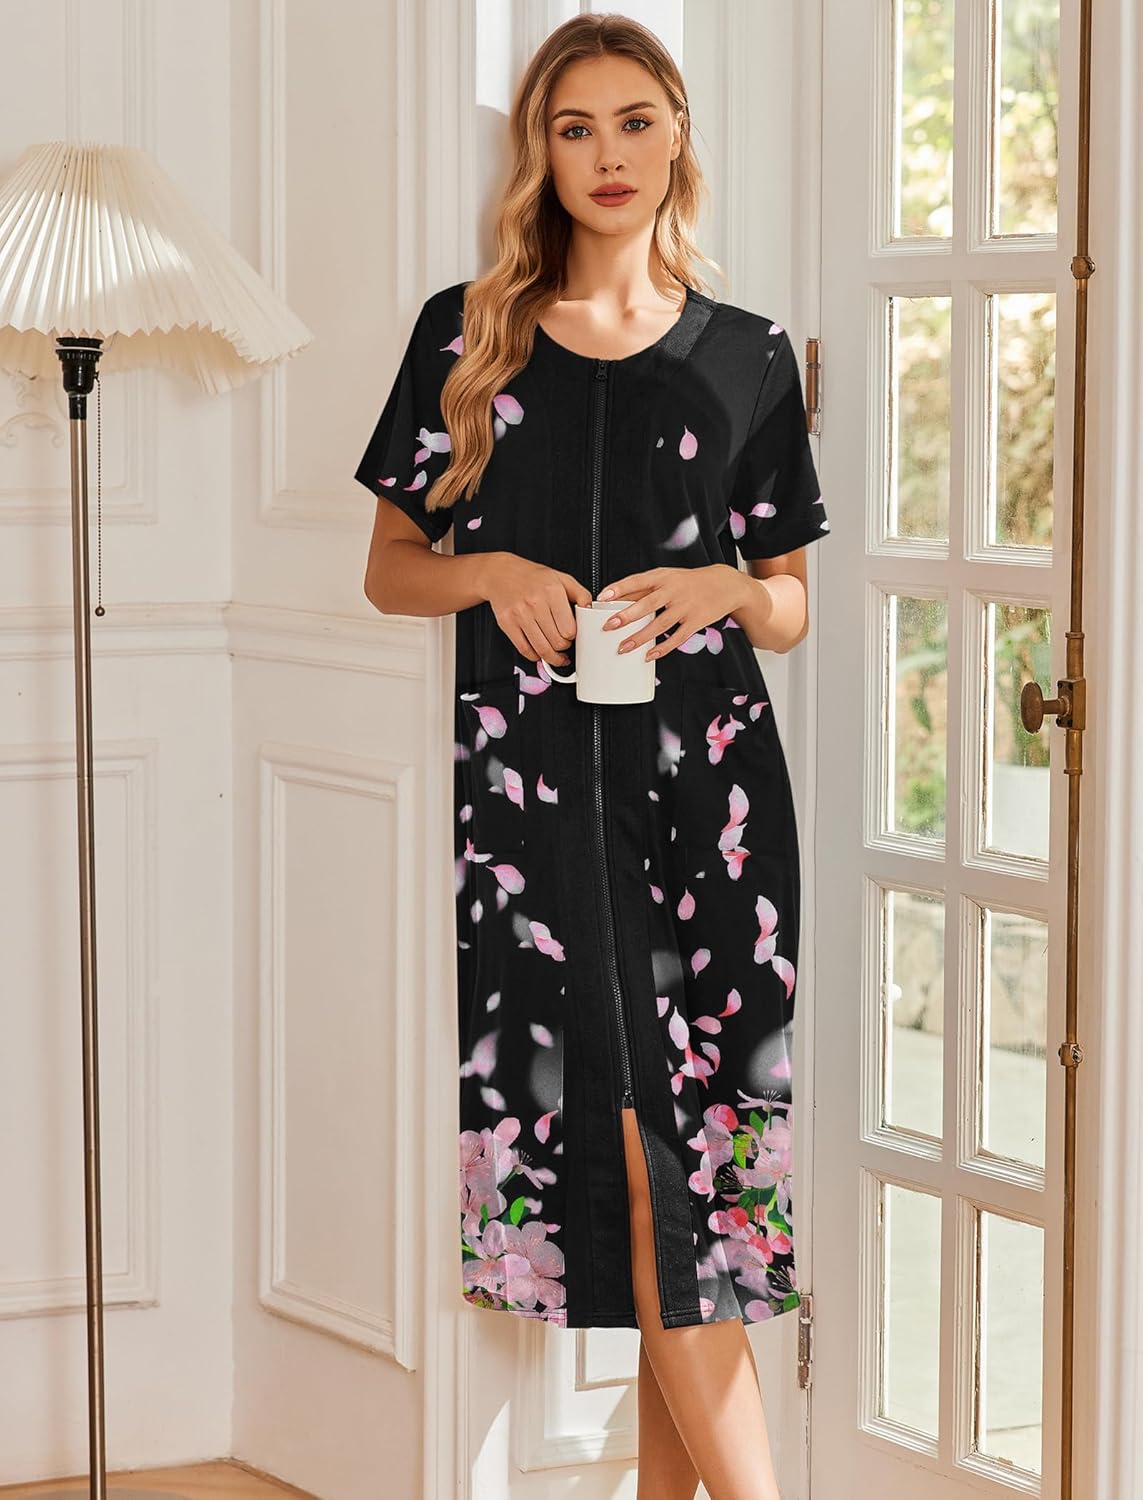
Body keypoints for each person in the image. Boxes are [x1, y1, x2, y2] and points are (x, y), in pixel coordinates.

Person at [357, 15, 830, 1500]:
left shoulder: (748, 354)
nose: (609, 155)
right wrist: (490, 570)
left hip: (717, 799)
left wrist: (727, 590)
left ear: (676, 136)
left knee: (688, 1166)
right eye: (576, 128)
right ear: (541, 153)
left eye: (635, 122)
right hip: (536, 802)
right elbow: (387, 570)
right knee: (631, 1147)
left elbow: (793, 605)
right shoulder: (467, 335)